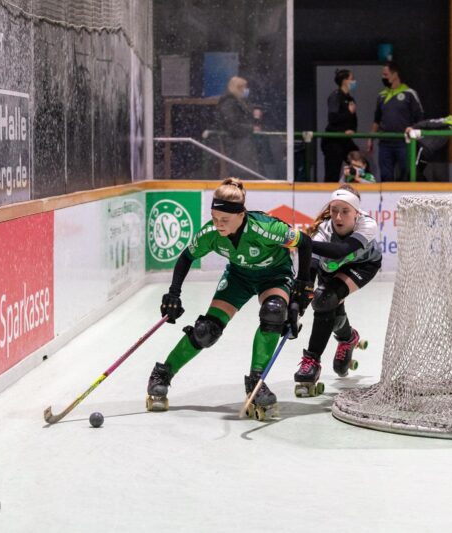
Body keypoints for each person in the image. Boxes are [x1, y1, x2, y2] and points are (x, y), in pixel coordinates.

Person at [145, 178, 314, 417]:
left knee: (274, 312)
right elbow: (186, 257)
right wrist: (173, 293)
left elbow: (305, 242)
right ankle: (162, 373)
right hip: (239, 277)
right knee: (206, 330)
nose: (218, 224)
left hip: (274, 276)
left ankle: (256, 382)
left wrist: (302, 285)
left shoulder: (265, 228)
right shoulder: (211, 233)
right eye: (214, 218)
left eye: (224, 219)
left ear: (241, 215)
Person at [293, 185, 382, 397]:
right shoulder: (323, 230)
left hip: (363, 266)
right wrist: (302, 298)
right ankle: (348, 338)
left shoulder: (367, 224)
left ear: (356, 212)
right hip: (330, 268)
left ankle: (312, 360)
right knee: (325, 301)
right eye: (334, 211)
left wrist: (303, 242)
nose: (338, 217)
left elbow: (341, 250)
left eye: (345, 211)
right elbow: (311, 269)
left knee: (326, 299)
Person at [367, 61, 424, 181]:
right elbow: (377, 120)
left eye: (385, 75)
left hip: (404, 142)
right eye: (382, 75)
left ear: (395, 75)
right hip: (385, 143)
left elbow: (419, 118)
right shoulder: (381, 96)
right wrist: (370, 138)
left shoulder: (409, 94)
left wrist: (416, 136)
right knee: (385, 175)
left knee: (407, 174)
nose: (383, 77)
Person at [404, 109, 452, 180]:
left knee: (418, 171)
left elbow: (431, 123)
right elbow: (429, 123)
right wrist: (414, 127)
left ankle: (422, 185)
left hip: (428, 150)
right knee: (414, 172)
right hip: (424, 147)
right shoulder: (450, 123)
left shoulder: (449, 122)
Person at [215, 76, 261, 180]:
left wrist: (255, 118)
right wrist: (250, 129)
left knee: (247, 170)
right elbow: (232, 125)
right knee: (242, 172)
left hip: (243, 142)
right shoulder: (229, 102)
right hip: (236, 143)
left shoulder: (241, 102)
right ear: (238, 88)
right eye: (244, 87)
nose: (246, 90)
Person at [322, 69, 359, 182]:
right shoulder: (335, 96)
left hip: (345, 140)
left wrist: (352, 130)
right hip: (333, 140)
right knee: (332, 173)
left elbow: (353, 119)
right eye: (352, 79)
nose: (354, 81)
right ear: (344, 81)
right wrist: (348, 112)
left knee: (359, 161)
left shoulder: (350, 99)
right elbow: (333, 118)